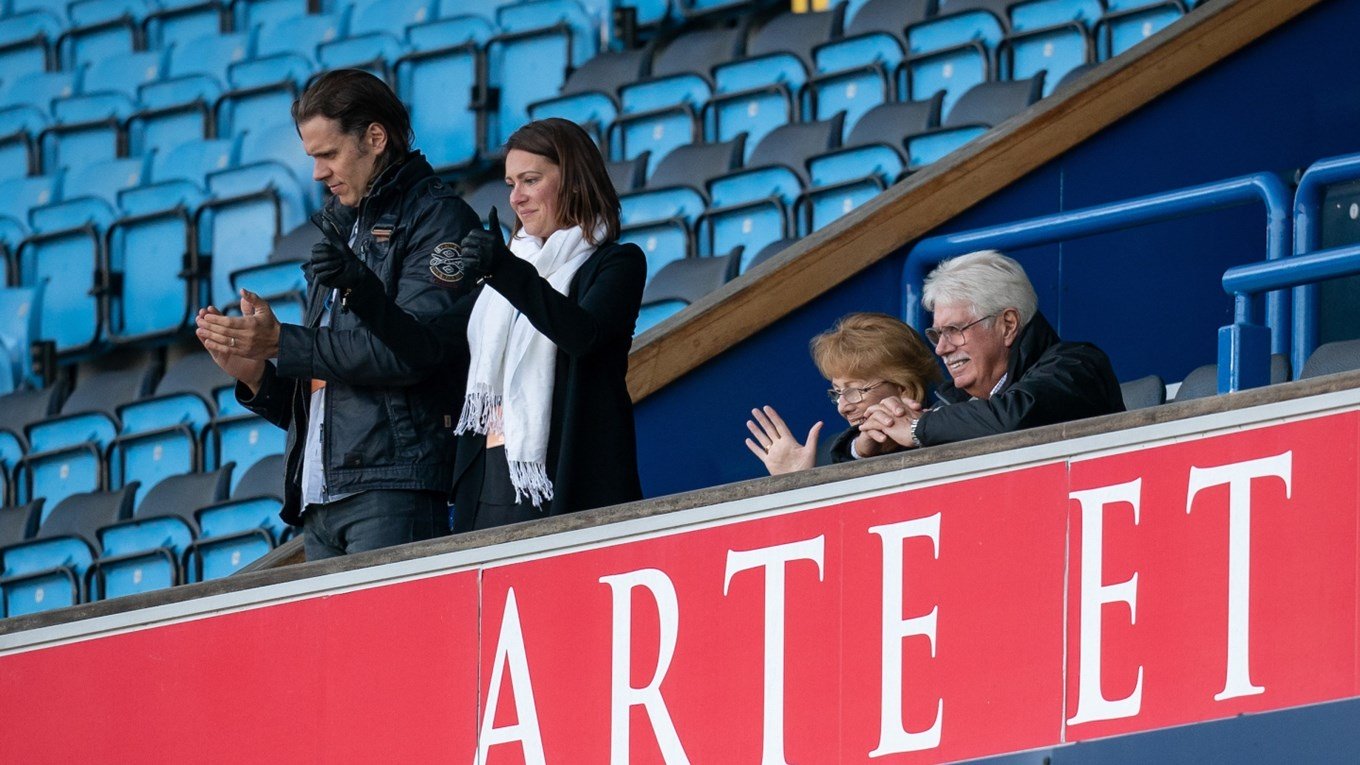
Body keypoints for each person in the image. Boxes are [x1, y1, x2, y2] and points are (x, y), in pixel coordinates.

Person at [194, 69, 482, 559]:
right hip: (322, 498)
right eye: (313, 158)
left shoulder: (438, 218)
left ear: (375, 138)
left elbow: (412, 352)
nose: (317, 173)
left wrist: (283, 343)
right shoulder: (340, 227)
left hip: (395, 490)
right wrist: (259, 377)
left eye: (328, 154)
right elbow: (335, 394)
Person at [308, 117, 647, 531]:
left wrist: (506, 272)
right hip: (490, 487)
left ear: (575, 182)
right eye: (511, 184)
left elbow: (583, 336)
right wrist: (361, 288)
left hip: (570, 488)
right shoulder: (501, 281)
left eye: (531, 180)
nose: (517, 198)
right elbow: (426, 347)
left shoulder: (616, 263)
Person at [859, 249, 1124, 451]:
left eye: (954, 330)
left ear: (1007, 325)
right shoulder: (957, 404)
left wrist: (918, 427)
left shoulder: (1078, 367)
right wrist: (872, 440)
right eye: (938, 334)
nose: (941, 348)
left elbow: (1015, 417)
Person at [744, 312, 941, 475]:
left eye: (854, 391)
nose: (842, 407)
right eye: (837, 393)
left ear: (903, 387)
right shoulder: (827, 455)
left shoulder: (948, 426)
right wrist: (797, 481)